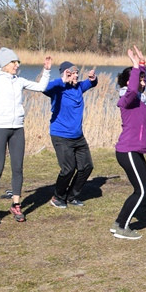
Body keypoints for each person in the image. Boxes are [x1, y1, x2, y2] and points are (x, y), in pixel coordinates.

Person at [0, 47, 53, 224]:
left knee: (18, 168)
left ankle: (16, 204)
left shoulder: (19, 81)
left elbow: (41, 87)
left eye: (17, 62)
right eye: (14, 62)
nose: (17, 65)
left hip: (18, 129)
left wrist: (46, 70)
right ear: (5, 64)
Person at [43, 61, 98, 208]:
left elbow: (91, 83)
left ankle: (72, 196)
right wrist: (63, 80)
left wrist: (93, 79)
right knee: (68, 169)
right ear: (66, 73)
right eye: (73, 73)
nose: (76, 76)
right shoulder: (57, 89)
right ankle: (57, 197)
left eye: (77, 73)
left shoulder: (79, 87)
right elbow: (44, 88)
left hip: (78, 136)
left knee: (87, 167)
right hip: (60, 135)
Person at [112, 46, 146, 240]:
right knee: (142, 191)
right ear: (129, 82)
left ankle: (119, 222)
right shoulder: (127, 98)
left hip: (135, 150)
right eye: (140, 78)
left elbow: (140, 84)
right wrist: (136, 66)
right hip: (127, 150)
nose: (143, 82)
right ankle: (123, 228)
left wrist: (142, 63)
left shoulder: (140, 99)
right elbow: (134, 87)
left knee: (142, 189)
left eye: (144, 79)